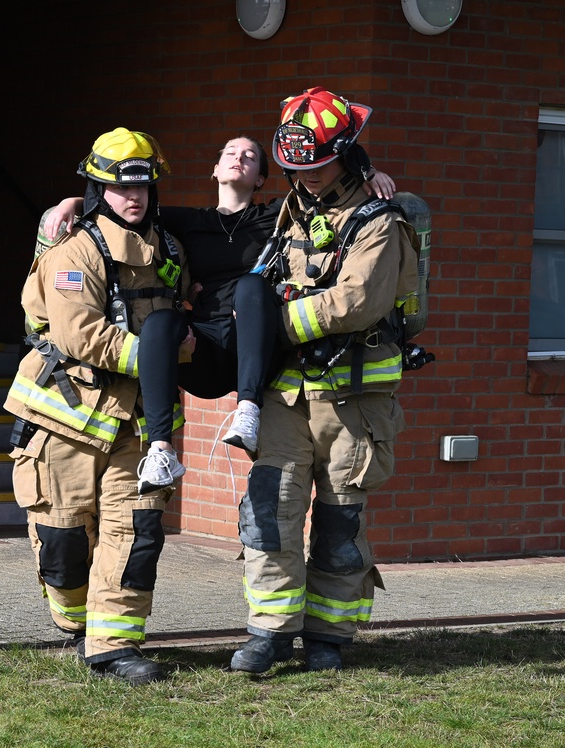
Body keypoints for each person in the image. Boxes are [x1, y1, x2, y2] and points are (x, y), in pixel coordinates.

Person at [44, 137, 395, 494]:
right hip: (206, 348)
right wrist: (71, 202)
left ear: (260, 178)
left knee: (251, 285)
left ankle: (248, 412)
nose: (238, 159)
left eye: (249, 156)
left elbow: (326, 193)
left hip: (256, 348)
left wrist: (367, 172)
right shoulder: (188, 222)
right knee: (160, 322)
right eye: (230, 153)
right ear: (215, 171)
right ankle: (160, 450)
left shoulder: (277, 215)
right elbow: (123, 204)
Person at [229, 87, 420, 674]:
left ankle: (328, 636)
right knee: (269, 510)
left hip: (353, 400)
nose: (307, 177)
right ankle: (269, 631)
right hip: (286, 394)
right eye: (297, 168)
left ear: (348, 155)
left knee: (340, 520)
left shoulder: (379, 220)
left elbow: (358, 301)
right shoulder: (292, 209)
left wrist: (273, 328)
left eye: (318, 165)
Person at [3, 127, 190, 686]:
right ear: (97, 188)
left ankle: (113, 646)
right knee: (62, 547)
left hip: (137, 429)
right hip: (64, 421)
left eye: (144, 187)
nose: (135, 197)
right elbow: (81, 335)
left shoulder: (172, 251)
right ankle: (77, 623)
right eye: (120, 187)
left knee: (135, 536)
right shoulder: (74, 250)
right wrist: (159, 358)